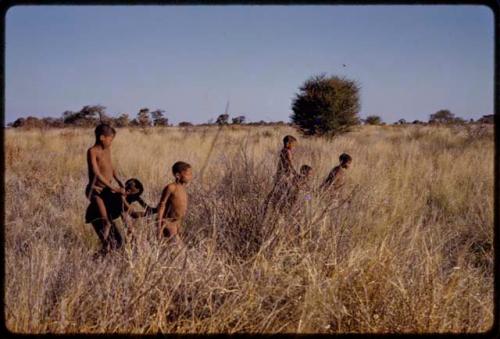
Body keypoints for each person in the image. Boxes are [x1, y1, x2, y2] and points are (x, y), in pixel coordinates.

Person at [85, 123, 126, 254]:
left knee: (122, 212)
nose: (111, 142)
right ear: (102, 137)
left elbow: (110, 167)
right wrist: (112, 187)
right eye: (110, 139)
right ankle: (104, 247)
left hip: (107, 190)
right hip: (96, 190)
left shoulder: (107, 150)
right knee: (106, 222)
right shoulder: (92, 151)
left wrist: (118, 180)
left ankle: (115, 245)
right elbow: (96, 173)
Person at [156, 161, 193, 245]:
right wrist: (159, 227)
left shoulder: (183, 188)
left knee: (172, 249)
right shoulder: (171, 188)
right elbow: (162, 206)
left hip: (177, 223)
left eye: (191, 174)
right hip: (168, 223)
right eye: (188, 174)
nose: (190, 177)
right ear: (178, 175)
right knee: (179, 250)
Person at [263, 135, 298, 216]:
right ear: (288, 143)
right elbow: (290, 164)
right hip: (284, 176)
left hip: (281, 175)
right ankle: (277, 209)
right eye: (293, 144)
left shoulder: (283, 151)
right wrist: (295, 173)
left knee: (277, 192)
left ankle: (269, 206)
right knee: (283, 192)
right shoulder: (287, 152)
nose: (294, 147)